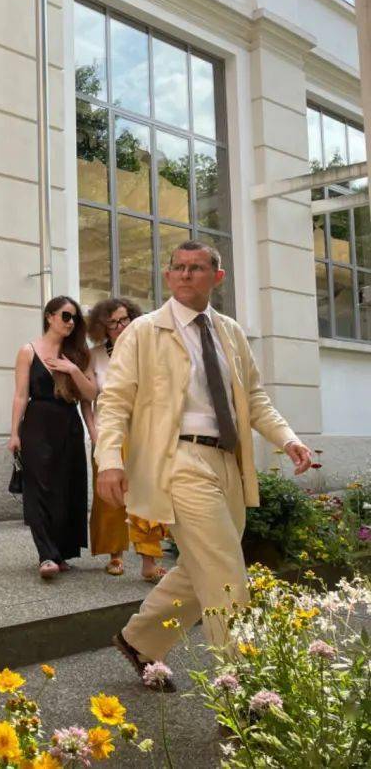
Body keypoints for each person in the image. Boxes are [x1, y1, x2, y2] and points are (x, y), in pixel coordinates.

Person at [96, 240, 313, 690]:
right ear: (168, 275)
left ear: (217, 276)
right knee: (226, 574)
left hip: (228, 461)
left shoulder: (229, 332)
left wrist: (288, 439)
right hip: (179, 459)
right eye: (178, 267)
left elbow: (254, 398)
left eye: (196, 267)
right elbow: (114, 402)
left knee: (202, 567)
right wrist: (109, 460)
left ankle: (139, 641)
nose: (185, 274)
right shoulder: (143, 332)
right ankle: (245, 690)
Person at [8, 296, 97, 579]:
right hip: (37, 424)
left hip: (69, 424)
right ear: (49, 316)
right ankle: (46, 555)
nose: (70, 323)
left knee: (67, 487)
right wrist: (14, 433)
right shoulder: (28, 351)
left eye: (74, 318)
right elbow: (20, 395)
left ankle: (62, 552)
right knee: (39, 488)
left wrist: (72, 370)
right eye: (65, 316)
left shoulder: (79, 354)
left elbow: (91, 394)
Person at [82, 298, 168, 583]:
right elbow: (88, 401)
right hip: (108, 433)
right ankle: (115, 555)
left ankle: (149, 560)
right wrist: (95, 435)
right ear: (102, 328)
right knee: (110, 496)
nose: (119, 326)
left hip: (143, 432)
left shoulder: (146, 351)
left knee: (147, 494)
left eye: (123, 319)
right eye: (112, 323)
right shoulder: (95, 356)